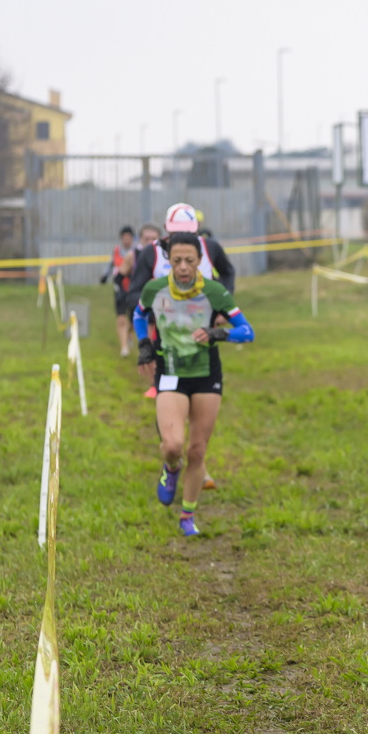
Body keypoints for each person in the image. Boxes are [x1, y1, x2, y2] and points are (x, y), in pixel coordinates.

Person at [135, 232, 255, 536]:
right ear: (169, 261)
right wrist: (144, 345)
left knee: (198, 451)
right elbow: (138, 315)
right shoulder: (155, 289)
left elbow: (247, 331)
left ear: (200, 260)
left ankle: (187, 516)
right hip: (170, 373)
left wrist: (218, 333)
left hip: (206, 376)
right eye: (177, 261)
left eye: (190, 260)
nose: (184, 267)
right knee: (173, 445)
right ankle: (171, 467)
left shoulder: (215, 292)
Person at [101, 226, 140, 356]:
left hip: (133, 288)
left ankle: (129, 332)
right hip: (119, 288)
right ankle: (124, 347)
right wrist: (105, 276)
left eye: (129, 238)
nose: (126, 240)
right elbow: (110, 264)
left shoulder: (137, 252)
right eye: (124, 238)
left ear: (132, 239)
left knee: (134, 320)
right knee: (121, 318)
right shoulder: (116, 251)